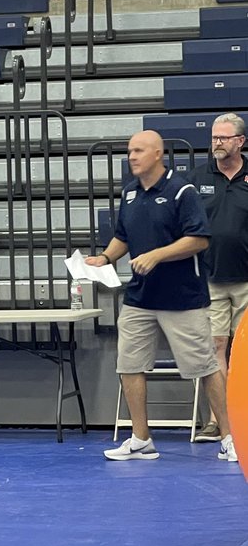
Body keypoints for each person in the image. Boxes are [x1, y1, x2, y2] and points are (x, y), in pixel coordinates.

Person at [87, 130, 237, 463]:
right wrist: (105, 258)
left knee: (205, 366)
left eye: (138, 150)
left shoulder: (182, 191)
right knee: (129, 364)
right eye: (129, 151)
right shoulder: (128, 195)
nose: (132, 156)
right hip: (140, 297)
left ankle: (230, 437)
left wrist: (157, 255)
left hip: (182, 297)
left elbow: (198, 239)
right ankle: (141, 439)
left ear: (157, 154)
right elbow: (122, 237)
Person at [185, 114, 248, 443]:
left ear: (240, 141)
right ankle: (219, 420)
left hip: (247, 279)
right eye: (214, 138)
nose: (217, 143)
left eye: (223, 138)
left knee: (245, 352)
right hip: (210, 278)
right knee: (216, 348)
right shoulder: (197, 179)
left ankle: (245, 416)